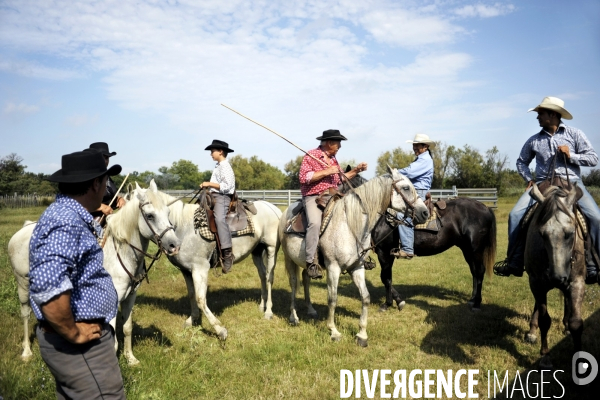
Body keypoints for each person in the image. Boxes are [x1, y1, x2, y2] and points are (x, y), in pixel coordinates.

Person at [29, 150, 125, 399]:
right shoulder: (65, 222)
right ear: (95, 184)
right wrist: (73, 332)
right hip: (81, 348)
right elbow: (49, 290)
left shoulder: (68, 216)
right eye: (105, 181)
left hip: (80, 345)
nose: (106, 188)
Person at [494, 96, 600, 283]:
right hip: (543, 184)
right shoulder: (534, 140)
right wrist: (529, 179)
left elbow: (593, 158)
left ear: (553, 114)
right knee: (515, 215)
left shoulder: (575, 134)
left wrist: (571, 155)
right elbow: (521, 162)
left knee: (596, 217)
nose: (538, 117)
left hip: (572, 184)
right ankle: (515, 260)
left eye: (541, 113)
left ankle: (595, 265)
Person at [298, 129, 368, 279]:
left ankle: (359, 253)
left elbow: (341, 179)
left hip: (333, 195)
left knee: (354, 215)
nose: (340, 146)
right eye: (338, 143)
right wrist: (327, 171)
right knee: (315, 223)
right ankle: (311, 262)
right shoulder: (311, 156)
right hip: (314, 196)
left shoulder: (334, 159)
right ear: (329, 143)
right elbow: (305, 178)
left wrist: (356, 170)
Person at [390, 134, 435, 259]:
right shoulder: (422, 158)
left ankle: (408, 249)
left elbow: (410, 172)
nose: (414, 147)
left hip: (418, 192)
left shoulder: (425, 159)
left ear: (425, 146)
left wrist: (395, 172)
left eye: (417, 145)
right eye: (414, 145)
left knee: (402, 215)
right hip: (415, 190)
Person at [200, 139, 236, 273]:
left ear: (220, 152)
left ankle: (227, 253)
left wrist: (208, 184)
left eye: (212, 151)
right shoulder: (218, 166)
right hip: (214, 196)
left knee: (220, 219)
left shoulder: (225, 166)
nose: (211, 154)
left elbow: (227, 187)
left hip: (222, 198)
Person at [88, 142, 126, 222]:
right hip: (93, 220)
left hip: (110, 218)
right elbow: (78, 202)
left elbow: (111, 195)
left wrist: (119, 199)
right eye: (102, 158)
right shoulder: (86, 178)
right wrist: (101, 207)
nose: (105, 161)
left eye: (107, 158)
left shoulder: (107, 176)